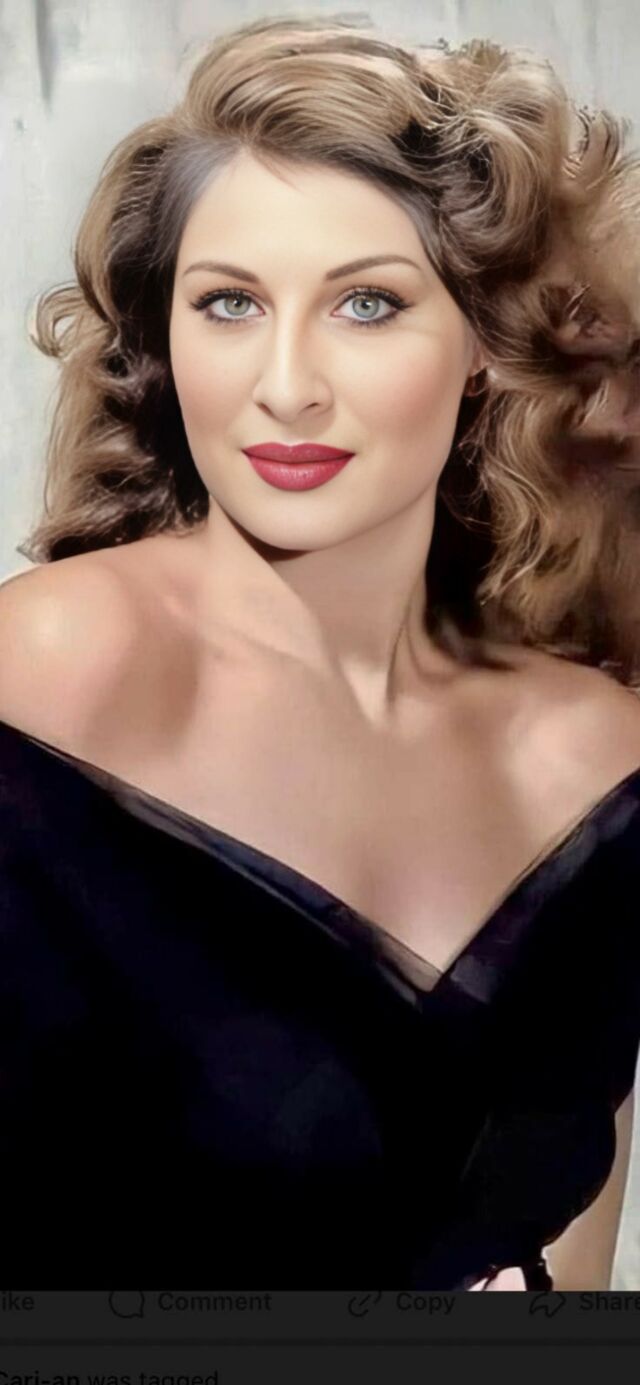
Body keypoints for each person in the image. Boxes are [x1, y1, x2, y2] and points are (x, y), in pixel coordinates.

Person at [2, 13, 640, 1291]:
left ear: (484, 347)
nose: (286, 384)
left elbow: (567, 1258)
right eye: (229, 303)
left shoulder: (593, 754)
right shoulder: (52, 670)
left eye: (366, 303)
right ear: (164, 334)